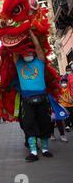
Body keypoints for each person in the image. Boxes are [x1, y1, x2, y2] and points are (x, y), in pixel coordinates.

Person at [13, 30, 54, 162]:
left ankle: (45, 149)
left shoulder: (40, 61)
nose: (28, 54)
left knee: (45, 124)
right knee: (28, 125)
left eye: (30, 51)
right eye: (25, 52)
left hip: (42, 99)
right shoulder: (19, 64)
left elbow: (38, 48)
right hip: (27, 101)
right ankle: (33, 151)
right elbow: (14, 51)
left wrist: (30, 32)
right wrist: (15, 34)